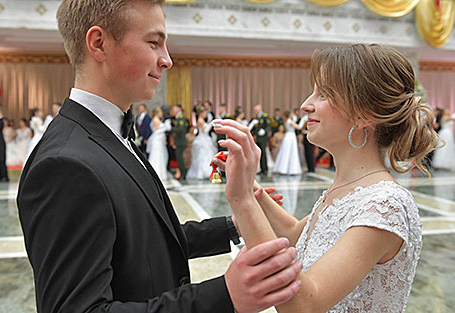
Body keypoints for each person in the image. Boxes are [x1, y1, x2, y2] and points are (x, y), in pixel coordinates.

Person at [17, 1, 301, 313]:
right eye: (154, 43)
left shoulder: (108, 134)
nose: (167, 60)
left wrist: (233, 226)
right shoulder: (66, 164)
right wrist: (224, 295)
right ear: (99, 44)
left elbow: (146, 241)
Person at [214, 44, 439, 312]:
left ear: (364, 114)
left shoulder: (385, 204)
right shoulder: (349, 187)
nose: (305, 105)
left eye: (324, 94)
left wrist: (242, 200)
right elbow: (297, 235)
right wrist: (249, 186)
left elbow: (303, 305)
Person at [186, 106, 217, 180]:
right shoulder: (200, 120)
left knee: (206, 156)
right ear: (201, 113)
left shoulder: (201, 120)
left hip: (205, 139)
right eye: (205, 113)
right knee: (203, 156)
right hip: (203, 139)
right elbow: (205, 131)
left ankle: (207, 172)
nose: (206, 114)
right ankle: (203, 172)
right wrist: (210, 123)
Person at [272, 110, 302, 175]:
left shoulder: (287, 121)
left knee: (286, 152)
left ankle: (283, 168)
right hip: (291, 136)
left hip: (288, 136)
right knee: (291, 152)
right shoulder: (290, 121)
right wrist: (303, 121)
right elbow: (299, 127)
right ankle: (289, 169)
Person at [146, 107, 168, 180]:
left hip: (159, 140)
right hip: (157, 141)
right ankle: (157, 172)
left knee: (161, 155)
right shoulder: (155, 120)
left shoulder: (157, 120)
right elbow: (157, 131)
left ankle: (161, 172)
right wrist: (166, 127)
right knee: (157, 156)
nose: (162, 114)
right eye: (161, 112)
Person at [250, 104, 271, 175]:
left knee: (263, 153)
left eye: (256, 109)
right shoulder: (255, 117)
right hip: (257, 138)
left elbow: (268, 126)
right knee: (259, 153)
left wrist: (264, 131)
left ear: (260, 109)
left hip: (263, 138)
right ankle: (262, 169)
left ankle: (265, 169)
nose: (255, 111)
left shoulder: (265, 116)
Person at [171, 104, 188, 180]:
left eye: (174, 109)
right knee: (179, 158)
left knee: (180, 158)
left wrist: (171, 129)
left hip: (180, 141)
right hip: (178, 141)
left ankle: (183, 174)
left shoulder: (181, 118)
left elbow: (181, 129)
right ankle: (182, 174)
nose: (173, 111)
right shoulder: (177, 117)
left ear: (178, 109)